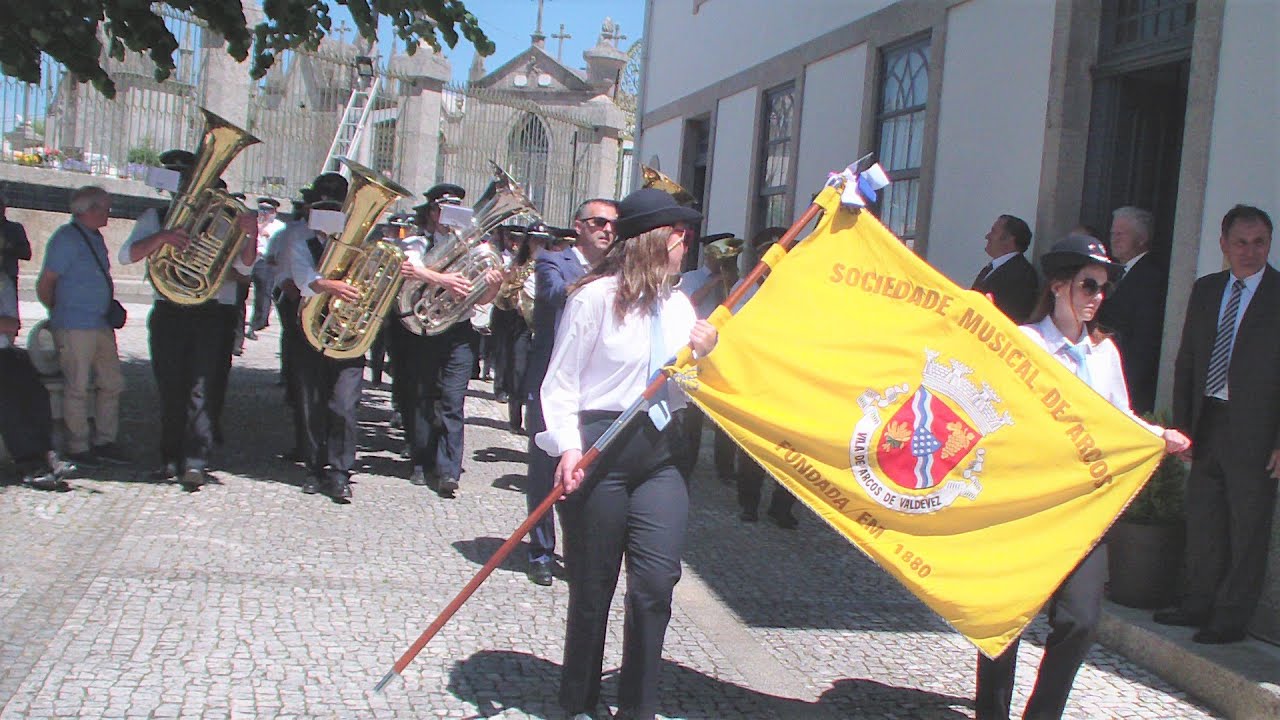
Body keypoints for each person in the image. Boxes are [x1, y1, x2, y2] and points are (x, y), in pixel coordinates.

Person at [975, 234, 1190, 720]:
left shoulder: (1105, 354)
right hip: (1029, 507)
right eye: (1088, 284)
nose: (1097, 297)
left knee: (1081, 621)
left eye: (1103, 287)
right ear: (1057, 286)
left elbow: (1120, 418)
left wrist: (1159, 435)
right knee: (1003, 624)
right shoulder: (1025, 344)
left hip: (1085, 513)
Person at [537, 187, 717, 720]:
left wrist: (703, 358)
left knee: (656, 584)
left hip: (659, 454)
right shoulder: (593, 299)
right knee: (593, 588)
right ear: (652, 240)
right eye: (678, 232)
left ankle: (638, 706)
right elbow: (560, 384)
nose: (686, 241)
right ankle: (579, 699)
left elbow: (686, 389)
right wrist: (568, 448)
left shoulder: (678, 305)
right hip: (600, 449)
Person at [1154, 204, 1280, 644]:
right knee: (1204, 519)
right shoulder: (1206, 290)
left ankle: (1230, 618)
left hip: (1257, 432)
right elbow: (1187, 360)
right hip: (1208, 420)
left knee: (1247, 528)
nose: (1249, 251)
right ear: (1223, 245)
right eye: (1240, 242)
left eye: (1259, 242)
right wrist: (1184, 425)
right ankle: (1196, 603)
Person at [119, 149, 257, 489]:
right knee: (170, 388)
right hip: (169, 309)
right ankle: (169, 458)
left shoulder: (224, 218)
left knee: (201, 389)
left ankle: (196, 459)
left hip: (208, 311)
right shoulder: (158, 215)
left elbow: (245, 267)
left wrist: (250, 234)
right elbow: (127, 255)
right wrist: (163, 238)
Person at [523, 199, 618, 586]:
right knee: (546, 468)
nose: (607, 230)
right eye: (599, 222)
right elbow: (554, 294)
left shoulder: (619, 268)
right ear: (579, 225)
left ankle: (581, 550)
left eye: (614, 225)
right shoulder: (552, 260)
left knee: (588, 471)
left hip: (596, 388)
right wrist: (606, 285)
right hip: (553, 380)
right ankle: (541, 551)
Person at [395, 183, 502, 498]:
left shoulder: (475, 248)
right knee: (423, 396)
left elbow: (485, 298)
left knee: (453, 401)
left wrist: (494, 284)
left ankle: (448, 470)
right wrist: (443, 279)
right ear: (433, 213)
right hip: (424, 329)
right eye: (445, 210)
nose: (451, 217)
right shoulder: (418, 242)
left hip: (459, 330)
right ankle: (421, 460)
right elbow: (408, 268)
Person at [35, 185, 129, 467]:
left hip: (99, 323)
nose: (109, 213)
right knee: (76, 385)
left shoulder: (95, 238)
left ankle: (104, 440)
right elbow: (46, 282)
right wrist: (58, 313)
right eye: (105, 208)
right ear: (90, 210)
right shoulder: (65, 239)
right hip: (74, 324)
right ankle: (78, 445)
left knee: (110, 383)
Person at [732, 226, 800, 528]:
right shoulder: (748, 294)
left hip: (794, 380)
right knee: (753, 449)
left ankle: (782, 506)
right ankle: (749, 503)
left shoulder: (800, 296)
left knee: (793, 451)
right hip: (758, 380)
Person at [677, 232, 740, 483]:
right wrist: (714, 282)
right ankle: (687, 464)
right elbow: (690, 303)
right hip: (696, 349)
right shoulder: (690, 278)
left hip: (724, 350)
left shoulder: (735, 280)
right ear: (708, 255)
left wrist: (730, 283)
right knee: (692, 415)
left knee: (724, 413)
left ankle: (725, 469)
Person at [0, 273, 74, 490]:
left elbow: (12, 325)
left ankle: (49, 453)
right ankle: (29, 465)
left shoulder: (2, 282)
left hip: (5, 352)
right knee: (7, 401)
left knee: (37, 393)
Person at [1095, 207, 1166, 415]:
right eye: (1112, 234)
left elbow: (1144, 338)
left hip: (1129, 381)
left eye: (1121, 234)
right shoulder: (1117, 272)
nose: (1114, 240)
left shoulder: (1150, 275)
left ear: (1142, 238)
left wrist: (1128, 387)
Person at [972, 214, 1039, 324]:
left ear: (1008, 239)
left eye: (993, 232)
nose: (987, 236)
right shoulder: (990, 268)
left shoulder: (1021, 274)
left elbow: (1012, 316)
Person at [244, 197, 285, 340]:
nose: (263, 213)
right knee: (243, 291)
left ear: (274, 211)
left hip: (266, 261)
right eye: (261, 209)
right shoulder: (254, 223)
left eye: (267, 210)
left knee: (263, 293)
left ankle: (257, 323)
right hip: (250, 259)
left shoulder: (279, 227)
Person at [1, 193, 31, 311]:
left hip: (8, 279)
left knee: (9, 316)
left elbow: (27, 254)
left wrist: (7, 246)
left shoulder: (15, 229)